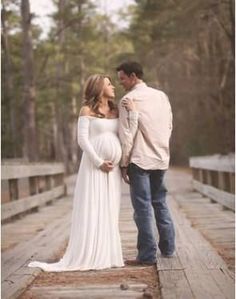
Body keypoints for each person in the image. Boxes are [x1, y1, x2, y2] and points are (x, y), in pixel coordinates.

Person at [28, 74, 138, 271]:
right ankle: (89, 252)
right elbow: (82, 140)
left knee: (110, 208)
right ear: (98, 88)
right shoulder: (86, 110)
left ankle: (108, 253)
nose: (113, 86)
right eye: (108, 83)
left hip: (112, 170)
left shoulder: (116, 110)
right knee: (93, 206)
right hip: (94, 167)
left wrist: (133, 114)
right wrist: (98, 162)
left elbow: (127, 133)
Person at [117, 61, 175, 266]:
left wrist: (123, 163)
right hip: (161, 158)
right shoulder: (161, 96)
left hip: (139, 159)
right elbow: (169, 125)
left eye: (122, 78)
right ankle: (168, 249)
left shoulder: (128, 100)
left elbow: (127, 135)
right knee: (160, 202)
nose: (120, 83)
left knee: (142, 208)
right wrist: (162, 148)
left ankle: (147, 255)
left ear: (133, 77)